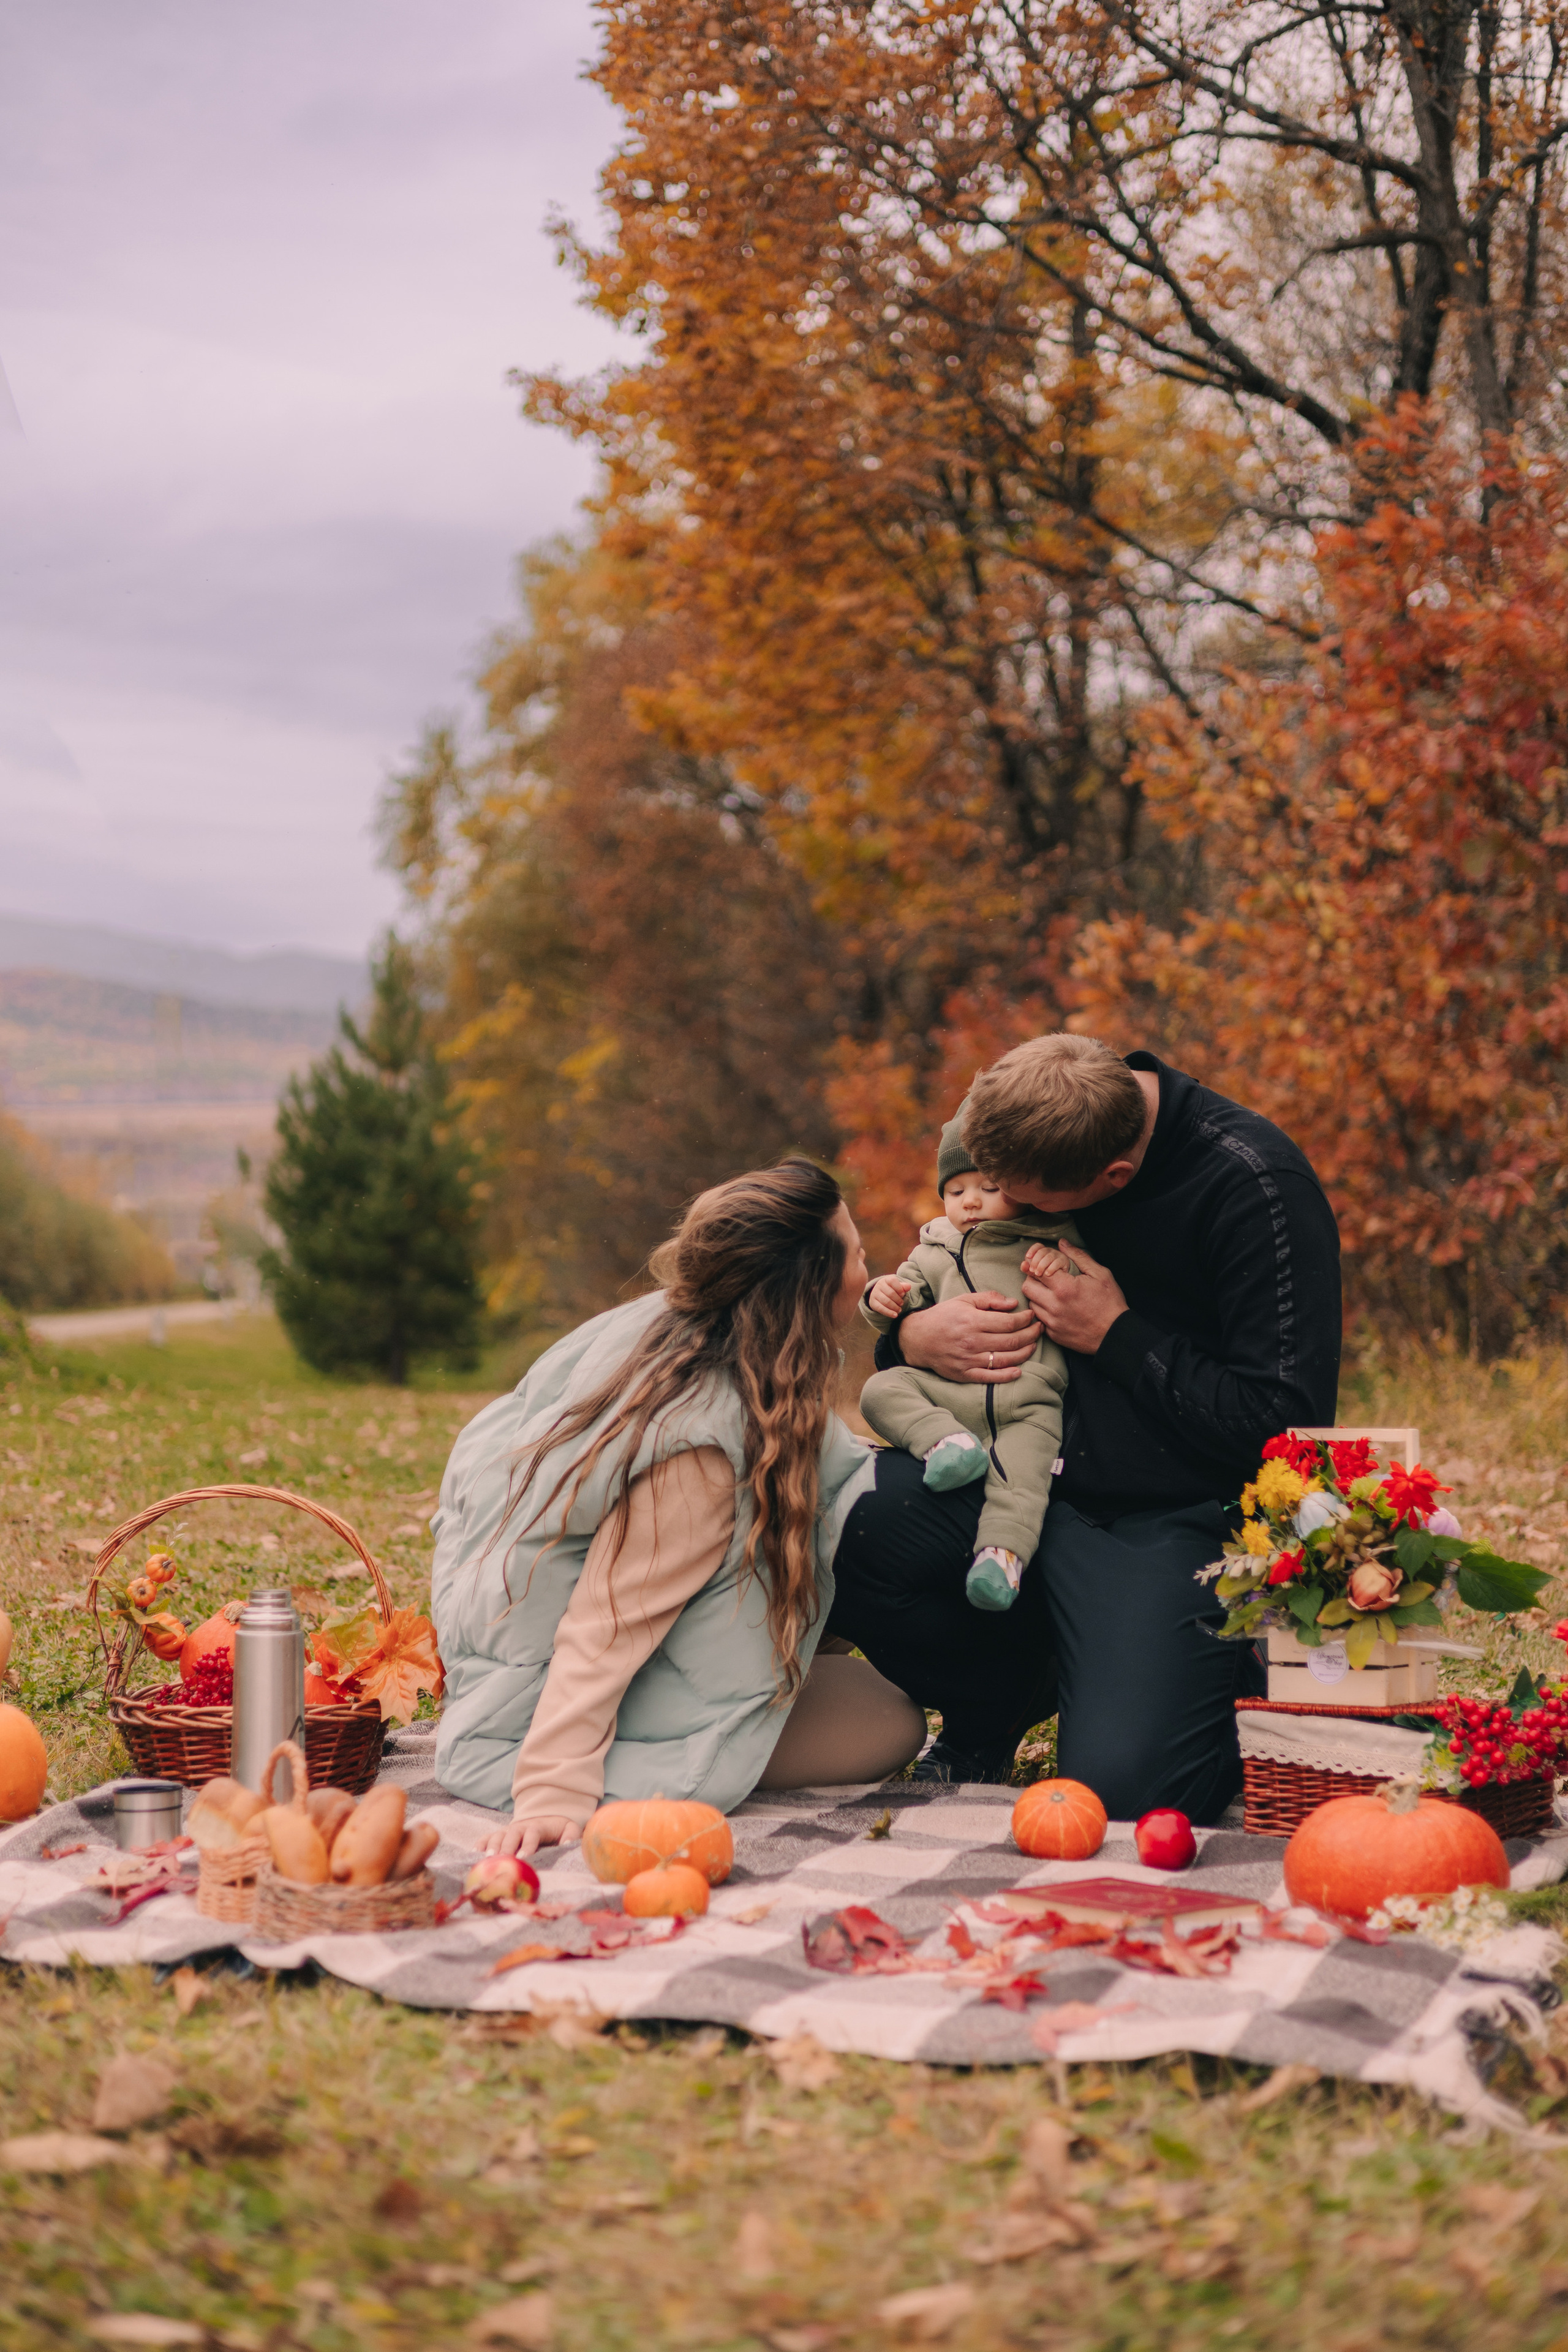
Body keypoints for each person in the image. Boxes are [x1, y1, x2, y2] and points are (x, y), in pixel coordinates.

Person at [828, 1034, 1342, 1821]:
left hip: (1155, 1517)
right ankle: (992, 1709)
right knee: (835, 1519)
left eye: (1022, 1197)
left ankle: (1193, 1670)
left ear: (1113, 1180)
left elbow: (1282, 1426)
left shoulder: (1252, 1187)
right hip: (1007, 1473)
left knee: (1131, 1795)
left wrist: (1117, 1334)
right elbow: (947, 1269)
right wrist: (908, 1339)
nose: (1000, 1203)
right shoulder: (1044, 1108)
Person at [429, 1160, 927, 1859]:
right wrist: (550, 1790)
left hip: (523, 1669)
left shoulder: (668, 1325)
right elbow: (606, 1625)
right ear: (811, 1289)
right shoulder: (702, 1446)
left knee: (855, 1681)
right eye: (857, 1253)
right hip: (529, 1724)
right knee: (890, 1720)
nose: (867, 1266)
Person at [858, 1115, 1078, 1611]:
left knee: (1022, 1483)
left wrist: (1063, 1267)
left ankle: (1000, 1561)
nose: (970, 1201)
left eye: (988, 1187)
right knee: (881, 1390)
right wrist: (881, 1297)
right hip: (950, 1394)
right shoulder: (935, 1248)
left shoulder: (1052, 1236)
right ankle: (947, 1442)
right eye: (955, 1191)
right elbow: (903, 1297)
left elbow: (1088, 1281)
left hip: (1028, 1400)